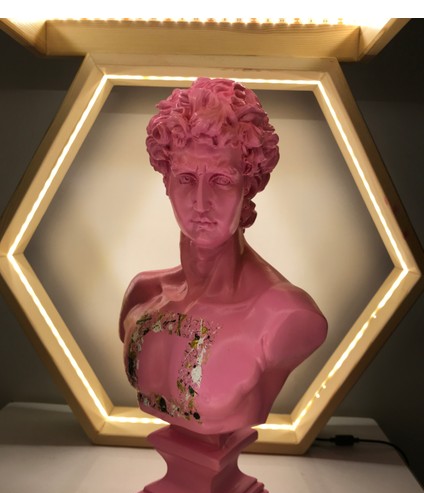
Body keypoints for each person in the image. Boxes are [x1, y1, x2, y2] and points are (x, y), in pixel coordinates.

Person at [119, 78, 327, 435]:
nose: (201, 203)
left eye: (221, 180)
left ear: (249, 185)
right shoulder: (144, 292)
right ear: (166, 182)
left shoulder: (285, 314)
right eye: (186, 178)